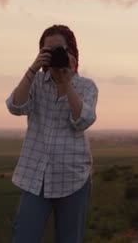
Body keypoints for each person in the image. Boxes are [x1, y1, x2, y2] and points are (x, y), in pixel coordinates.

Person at [6, 24, 99, 243]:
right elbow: (15, 106)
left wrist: (66, 83)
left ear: (73, 53)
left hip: (72, 178)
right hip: (35, 176)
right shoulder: (35, 82)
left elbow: (82, 121)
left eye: (60, 50)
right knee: (24, 238)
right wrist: (32, 69)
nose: (55, 55)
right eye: (48, 50)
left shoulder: (87, 86)